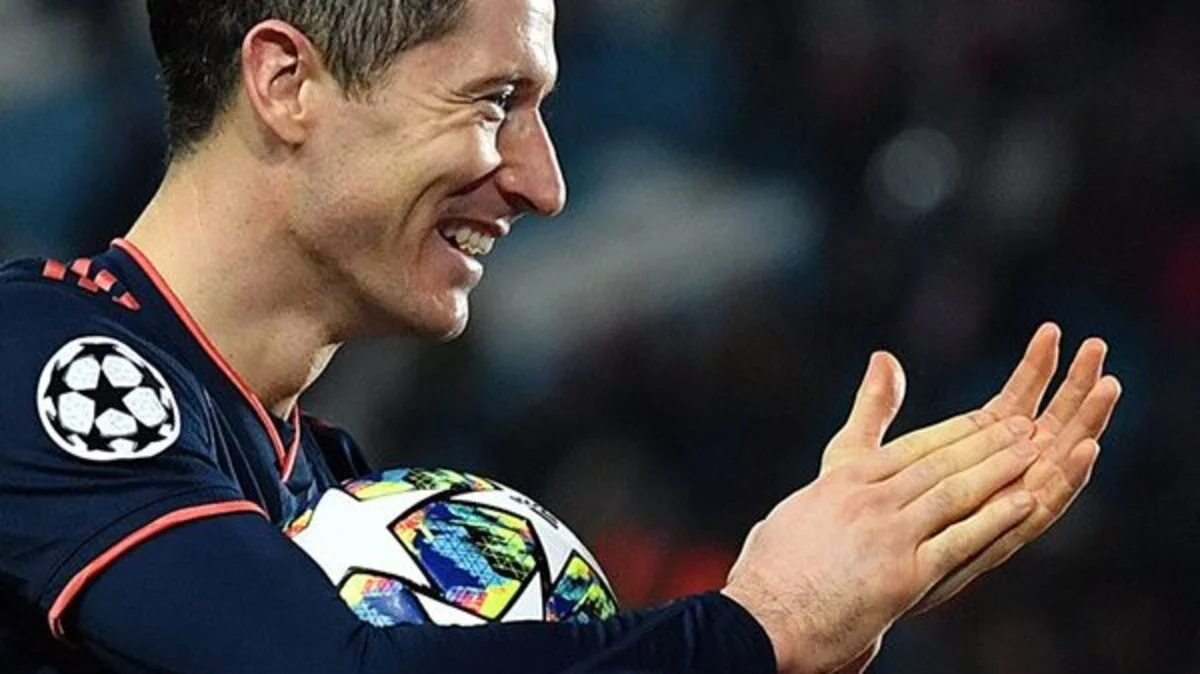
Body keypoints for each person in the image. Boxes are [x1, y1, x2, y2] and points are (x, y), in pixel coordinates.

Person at [0, 0, 1122, 672]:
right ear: (288, 82)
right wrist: (760, 626)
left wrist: (802, 642)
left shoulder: (329, 487)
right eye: (495, 102)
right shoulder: (37, 356)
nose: (544, 184)